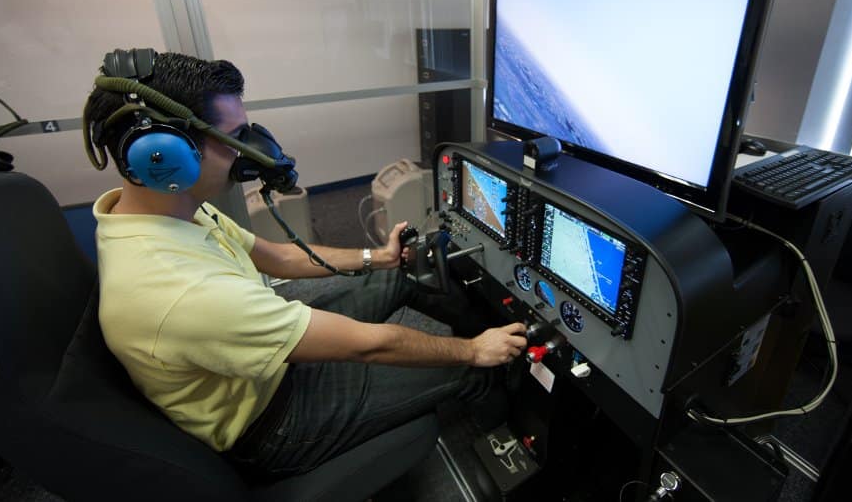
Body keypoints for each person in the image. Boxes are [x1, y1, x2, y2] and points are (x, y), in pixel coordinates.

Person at [82, 50, 527, 478]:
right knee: (470, 370)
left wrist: (381, 258)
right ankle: (512, 444)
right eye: (234, 139)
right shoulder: (179, 291)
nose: (248, 153)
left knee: (406, 276)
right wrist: (472, 351)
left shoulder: (164, 210)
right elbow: (367, 345)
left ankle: (495, 339)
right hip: (271, 422)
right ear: (165, 155)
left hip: (256, 360)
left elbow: (279, 256)